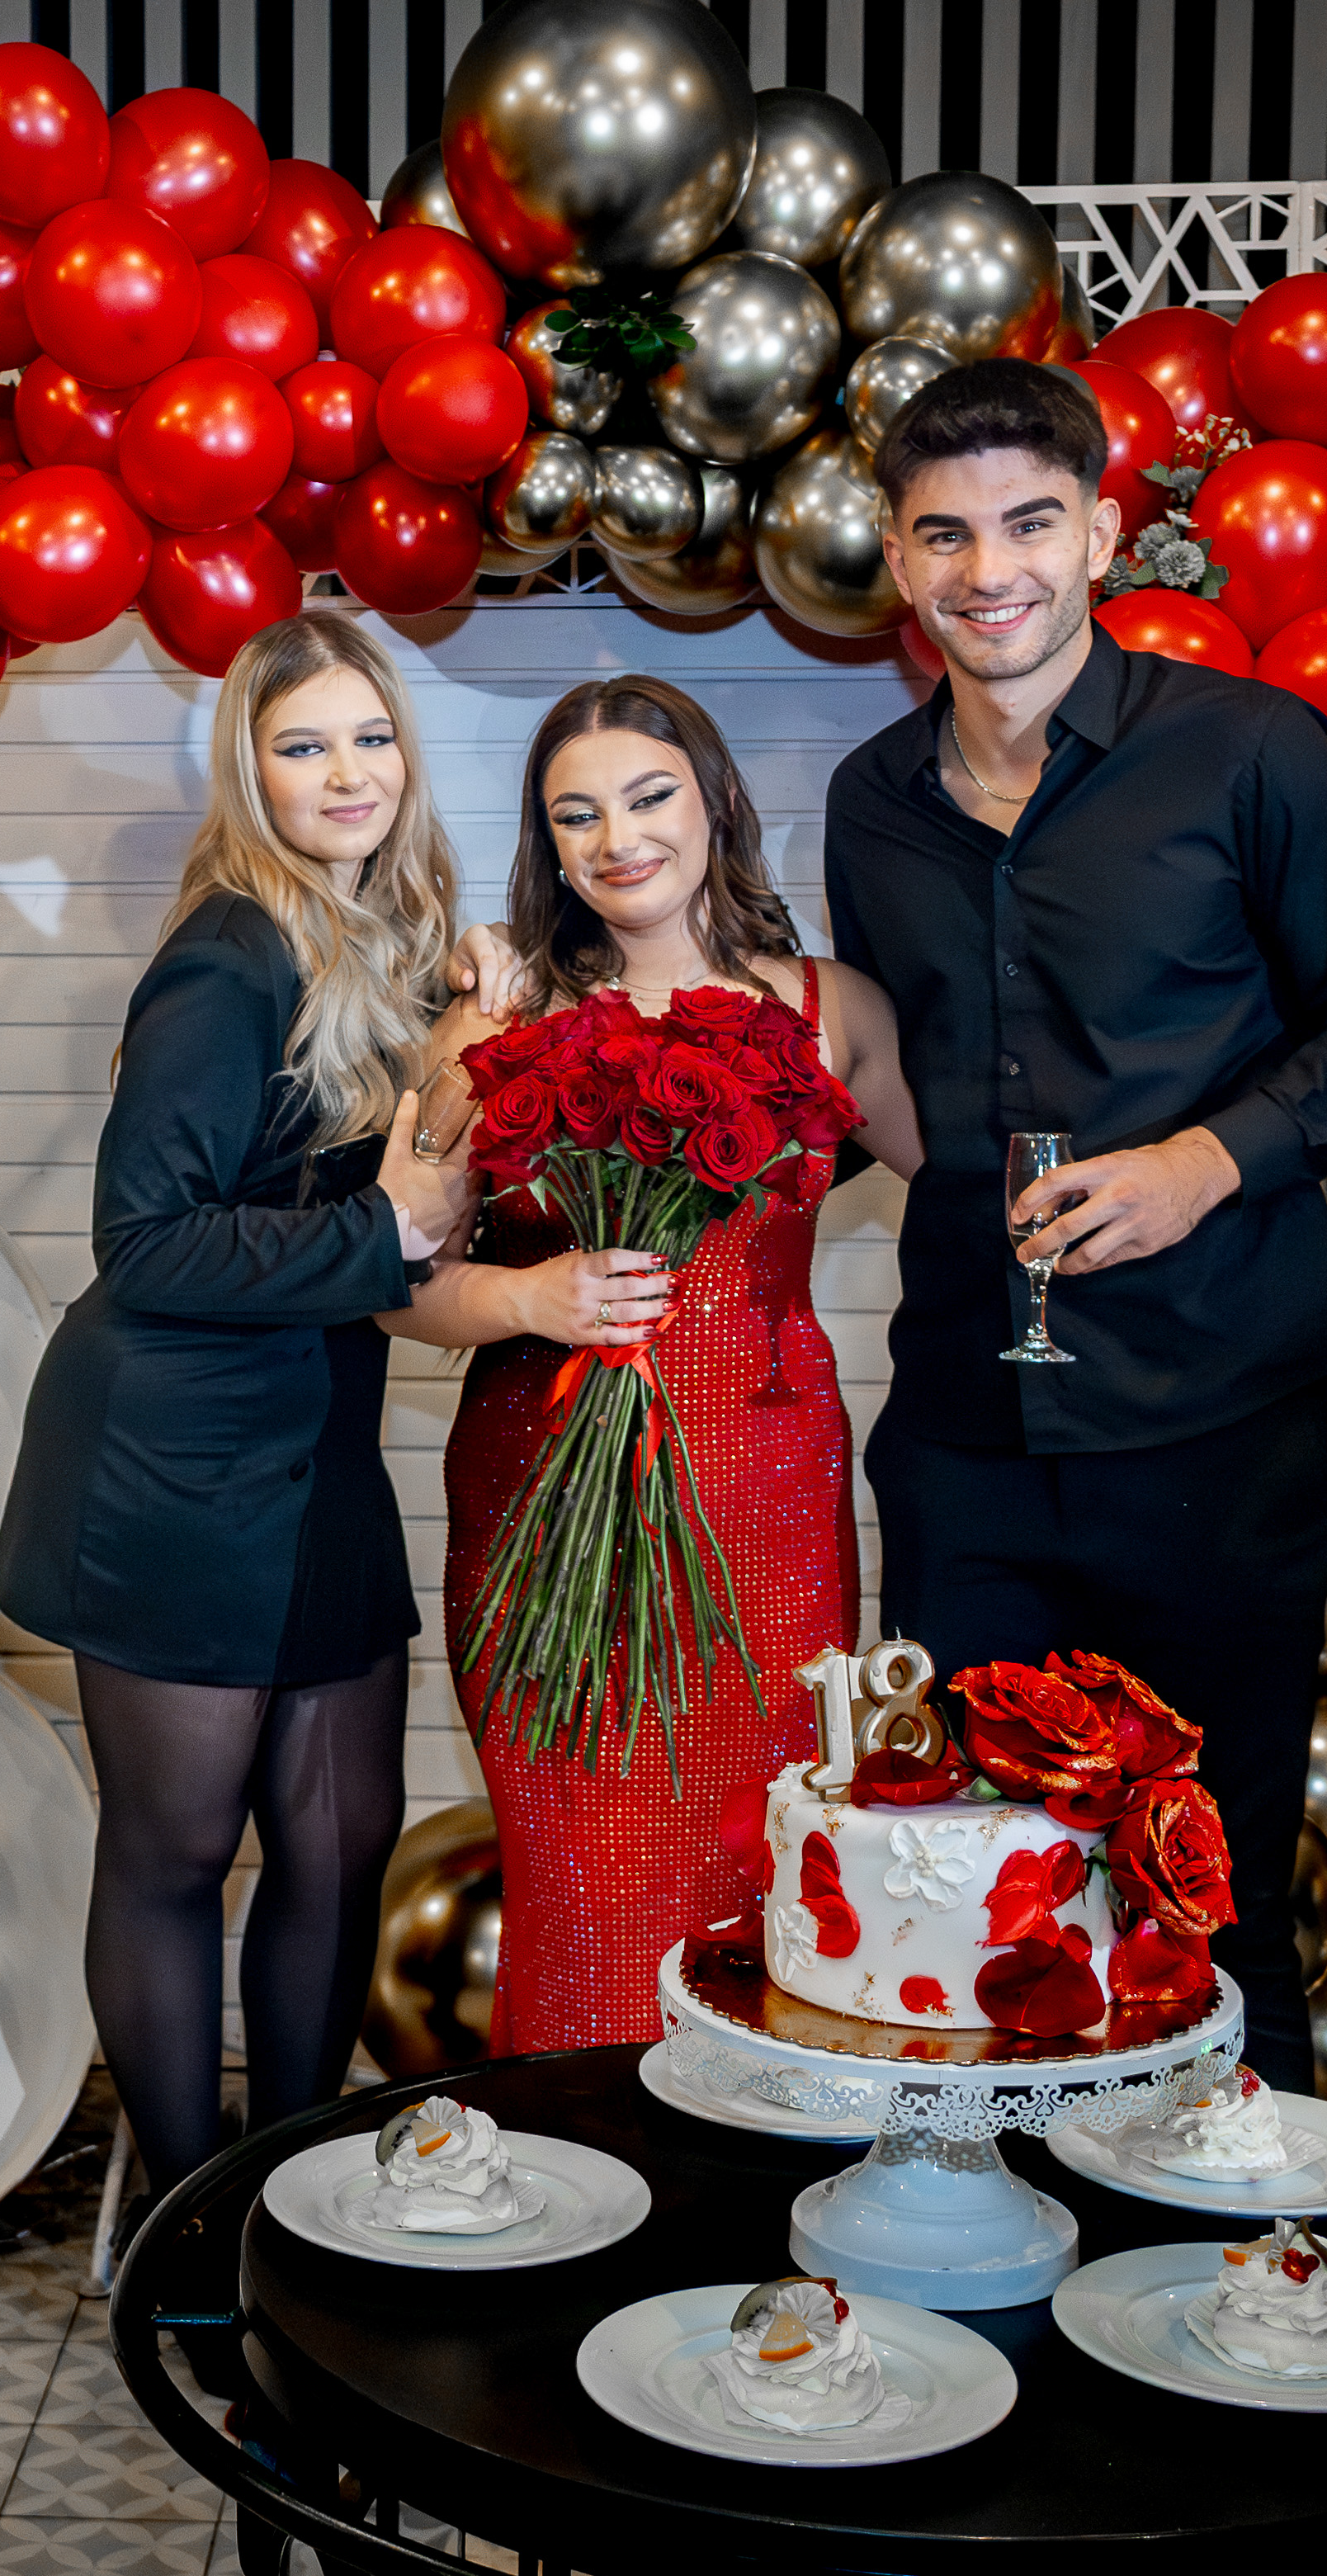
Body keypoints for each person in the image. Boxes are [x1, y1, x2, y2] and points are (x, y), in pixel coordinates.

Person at [821, 359, 1327, 2084]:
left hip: (1214, 1416)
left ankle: (1248, 2229)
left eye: (1027, 523)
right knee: (974, 1900)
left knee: (1213, 1889)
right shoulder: (869, 802)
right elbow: (894, 1081)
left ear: (1099, 534)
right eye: (943, 534)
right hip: (964, 1435)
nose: (987, 570)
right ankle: (1020, 2232)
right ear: (897, 556)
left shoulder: (1246, 752)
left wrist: (1202, 1164)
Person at [0, 611, 475, 2193]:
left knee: (337, 1843)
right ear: (248, 772)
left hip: (312, 1447)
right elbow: (143, 1238)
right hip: (175, 1461)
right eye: (301, 744)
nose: (345, 773)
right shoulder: (229, 950)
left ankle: (294, 2192)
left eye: (369, 737)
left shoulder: (380, 939)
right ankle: (190, 2230)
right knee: (177, 1849)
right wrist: (383, 1233)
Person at [385, 678, 927, 2053]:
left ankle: (752, 2167)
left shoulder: (832, 1007)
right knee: (582, 1888)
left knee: (767, 1869)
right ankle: (580, 2168)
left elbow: (979, 1188)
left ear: (717, 801)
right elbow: (391, 1284)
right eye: (576, 815)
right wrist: (528, 1294)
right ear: (547, 844)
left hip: (767, 1510)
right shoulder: (496, 1020)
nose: (617, 838)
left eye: (646, 796)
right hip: (543, 1499)